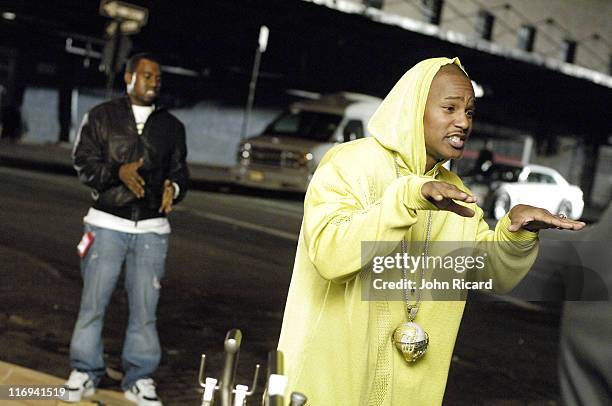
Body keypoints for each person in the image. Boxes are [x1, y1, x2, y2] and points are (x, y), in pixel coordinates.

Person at [277, 57, 585, 405]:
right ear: (412, 110)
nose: (463, 122)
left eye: (469, 112)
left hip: (410, 392)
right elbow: (331, 255)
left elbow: (485, 272)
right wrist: (407, 199)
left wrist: (514, 235)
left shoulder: (453, 189)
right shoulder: (351, 163)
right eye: (449, 108)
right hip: (328, 383)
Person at [64, 53, 188, 406]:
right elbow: (83, 162)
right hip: (106, 223)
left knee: (145, 309)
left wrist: (173, 189)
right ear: (129, 77)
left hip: (152, 229)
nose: (153, 82)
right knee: (93, 303)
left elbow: (180, 172)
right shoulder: (102, 117)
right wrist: (115, 172)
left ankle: (140, 378)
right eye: (147, 75)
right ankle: (84, 371)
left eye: (157, 78)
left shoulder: (171, 126)